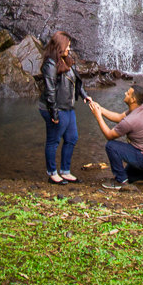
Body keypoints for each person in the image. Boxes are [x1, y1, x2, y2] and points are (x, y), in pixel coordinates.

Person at [87, 85, 143, 190]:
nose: (125, 93)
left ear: (133, 100)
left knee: (111, 146)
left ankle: (120, 181)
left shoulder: (130, 121)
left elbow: (109, 135)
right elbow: (119, 117)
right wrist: (100, 109)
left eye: (128, 93)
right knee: (127, 176)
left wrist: (98, 116)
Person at [39, 31, 86, 184]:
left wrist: (85, 96)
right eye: (67, 46)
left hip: (68, 106)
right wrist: (54, 113)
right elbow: (50, 90)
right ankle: (52, 173)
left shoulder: (66, 60)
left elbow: (75, 81)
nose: (69, 49)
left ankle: (65, 171)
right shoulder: (50, 65)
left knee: (72, 138)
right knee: (53, 141)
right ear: (59, 46)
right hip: (55, 108)